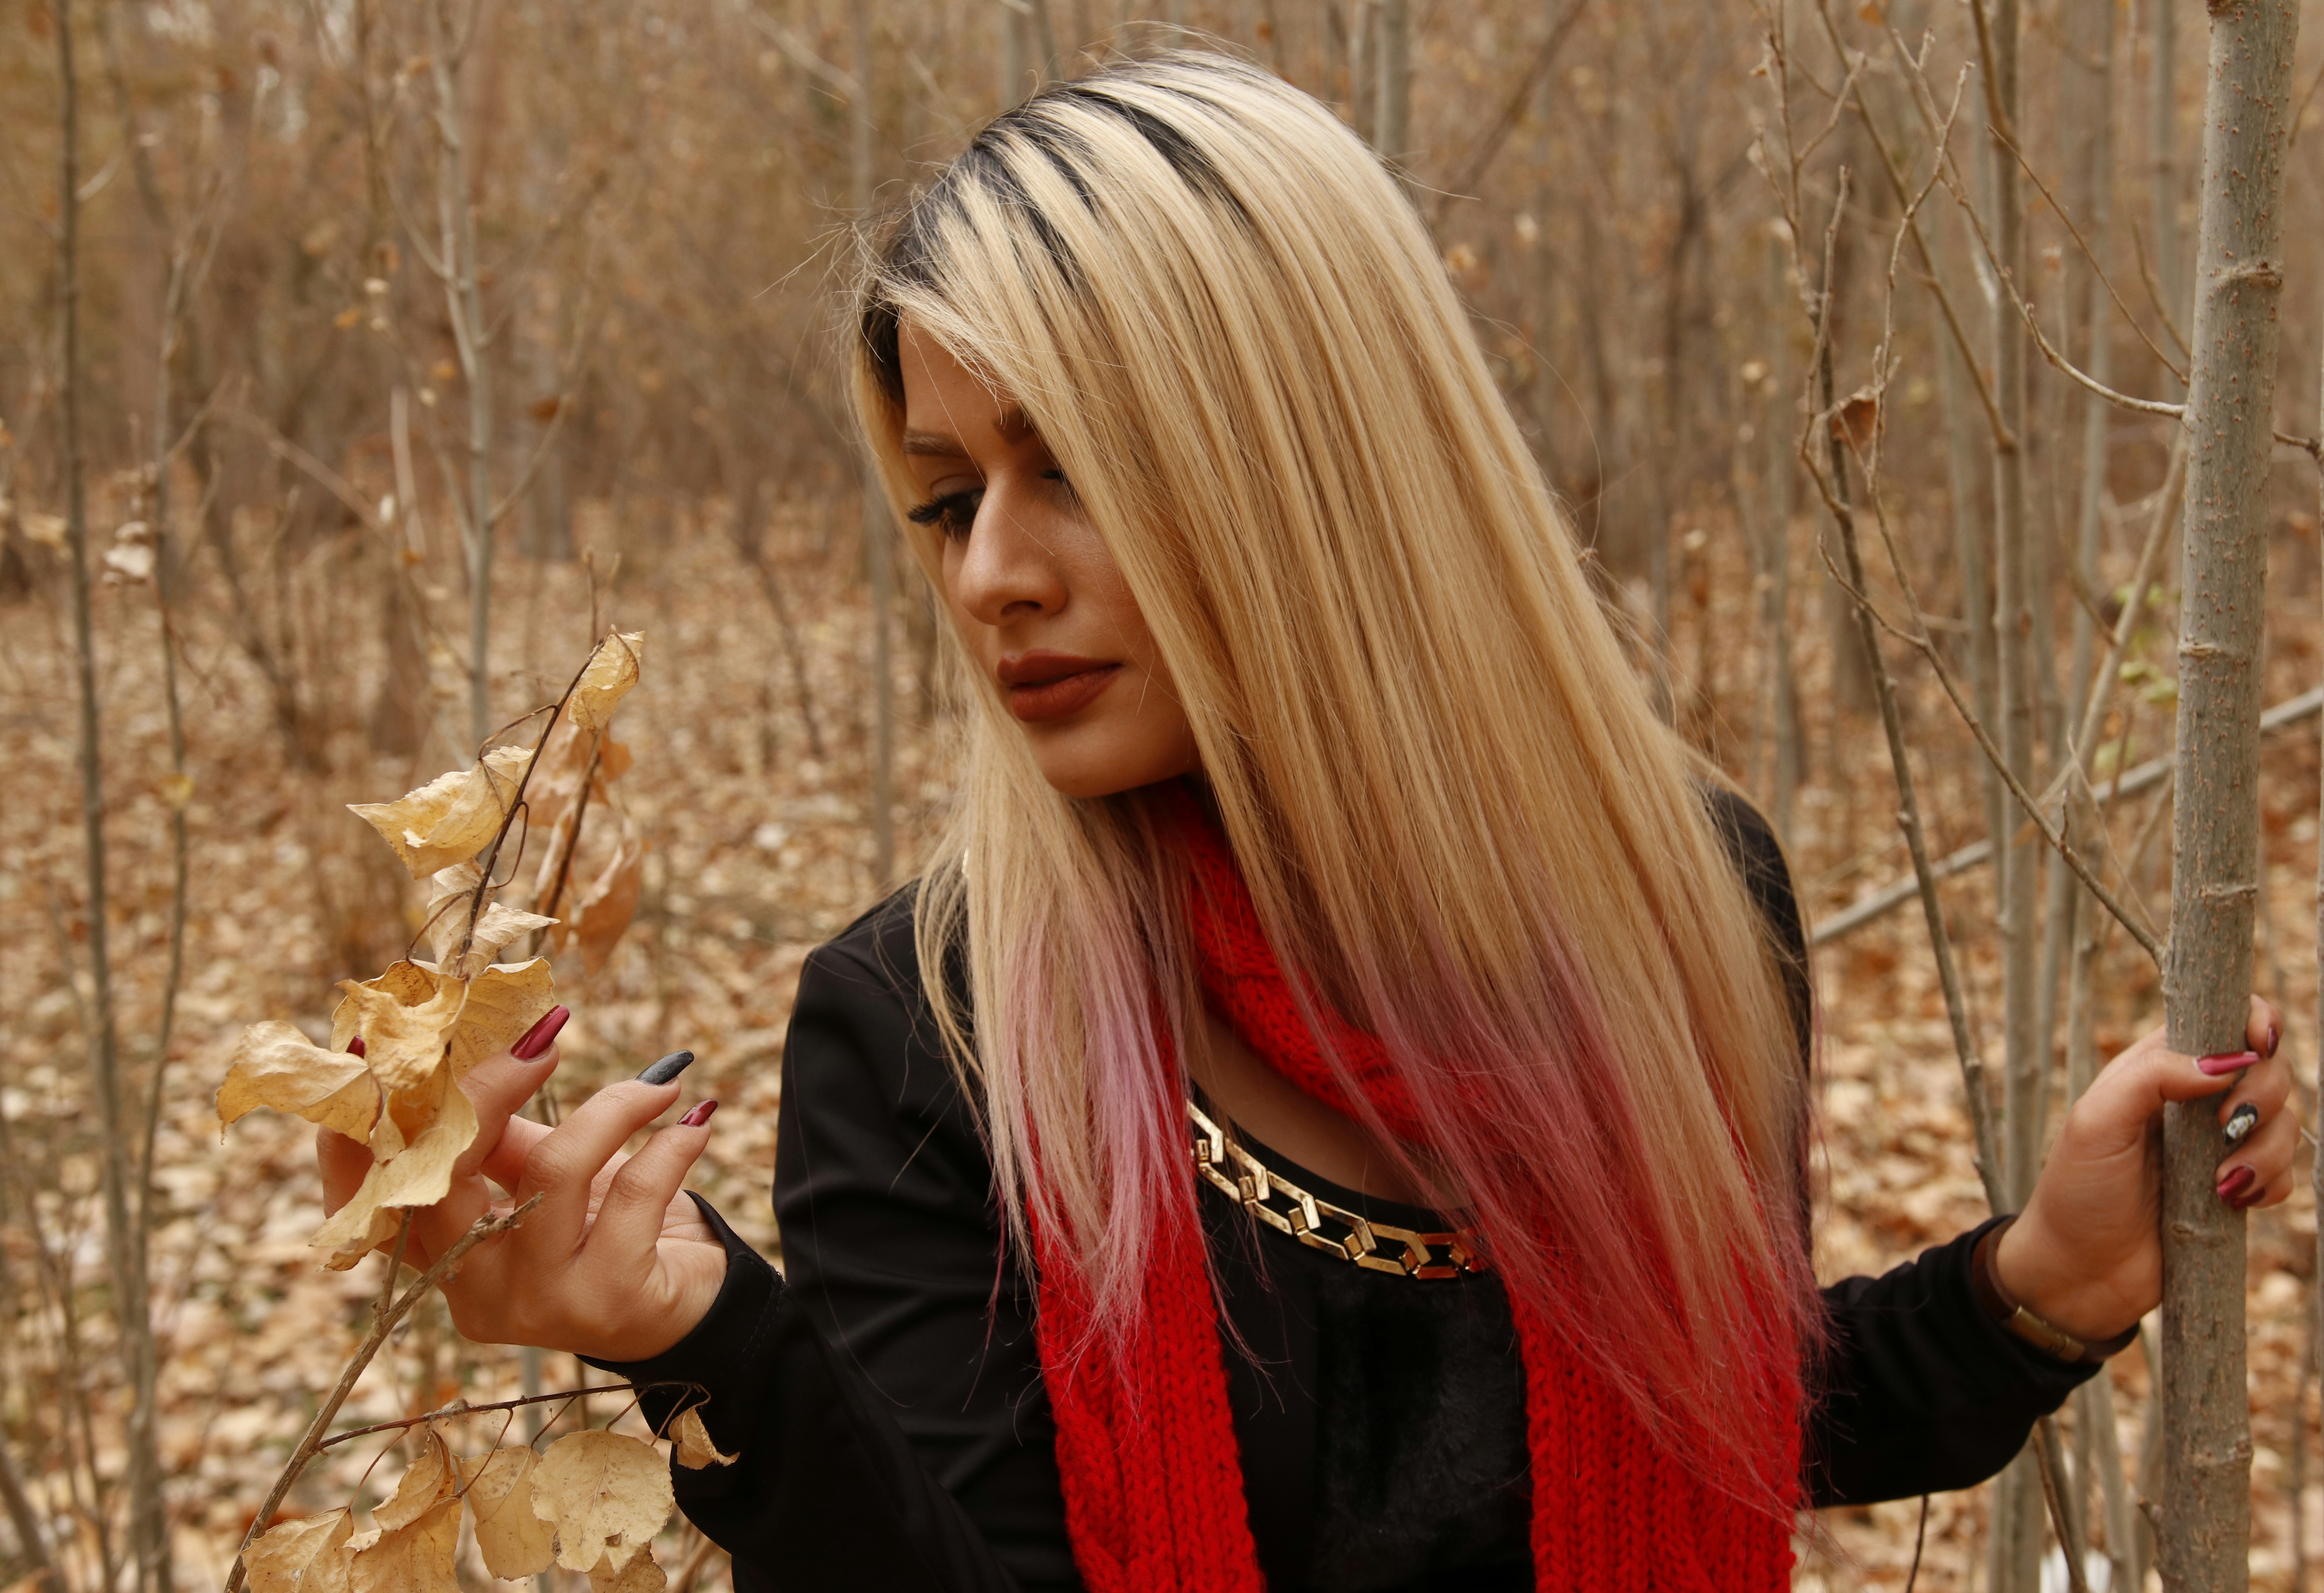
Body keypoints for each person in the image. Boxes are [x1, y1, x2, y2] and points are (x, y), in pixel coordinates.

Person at [319, 55, 2297, 1593]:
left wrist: (2040, 1278)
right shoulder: (926, 1028)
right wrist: (703, 1336)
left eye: (1072, 464)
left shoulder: (1678, 903)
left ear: (1318, 457)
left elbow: (1722, 1409)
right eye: (944, 497)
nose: (992, 571)